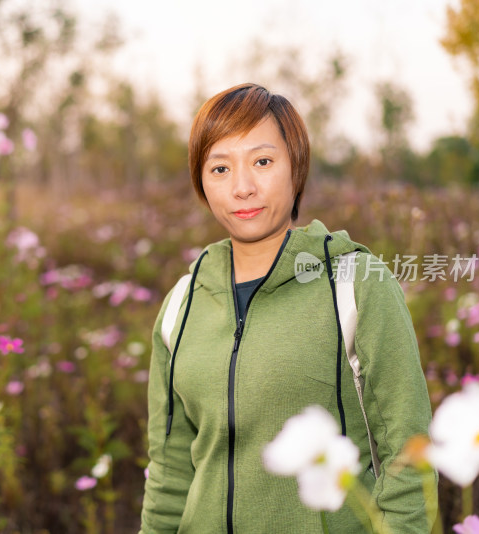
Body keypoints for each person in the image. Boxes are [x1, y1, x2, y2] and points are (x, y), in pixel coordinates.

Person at [139, 83, 436, 533]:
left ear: (295, 168)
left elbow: (408, 452)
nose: (242, 187)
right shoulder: (182, 304)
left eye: (262, 161)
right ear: (201, 181)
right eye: (219, 167)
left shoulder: (356, 284)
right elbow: (169, 471)